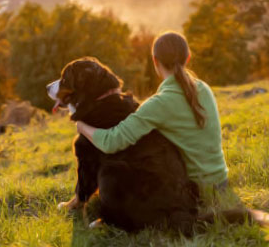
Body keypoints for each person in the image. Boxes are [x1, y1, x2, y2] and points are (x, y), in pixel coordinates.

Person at [76, 31, 228, 189]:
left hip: (196, 188)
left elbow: (112, 141)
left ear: (155, 61)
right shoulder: (203, 88)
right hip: (221, 180)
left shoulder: (159, 103)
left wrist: (82, 126)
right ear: (188, 57)